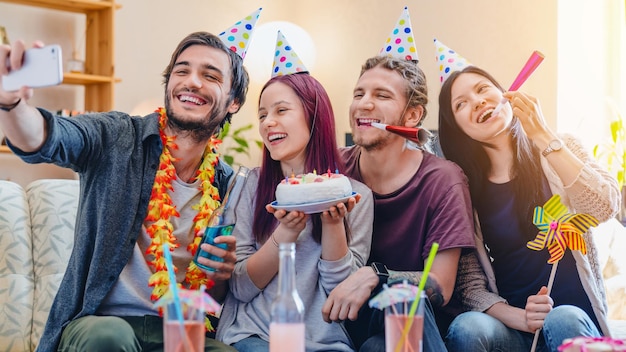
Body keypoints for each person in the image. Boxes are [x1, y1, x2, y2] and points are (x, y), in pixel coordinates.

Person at [0, 29, 253, 351]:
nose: (192, 82)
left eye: (210, 76)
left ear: (234, 102)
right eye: (182, 70)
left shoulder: (228, 185)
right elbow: (42, 137)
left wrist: (220, 274)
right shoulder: (116, 136)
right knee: (109, 338)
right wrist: (9, 102)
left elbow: (211, 298)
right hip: (99, 325)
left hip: (180, 332)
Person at [437, 64, 621, 351]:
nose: (477, 101)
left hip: (574, 323)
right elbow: (470, 287)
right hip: (515, 330)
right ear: (457, 127)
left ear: (505, 94)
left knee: (562, 317)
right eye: (461, 104)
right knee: (467, 327)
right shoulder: (463, 188)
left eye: (483, 89)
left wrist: (544, 136)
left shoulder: (562, 146)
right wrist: (521, 317)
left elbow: (605, 206)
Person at [215, 32, 374, 352]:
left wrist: (332, 225)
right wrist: (285, 232)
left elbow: (339, 296)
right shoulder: (248, 186)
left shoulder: (355, 196)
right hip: (253, 335)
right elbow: (241, 287)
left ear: (313, 114)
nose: (268, 123)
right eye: (262, 114)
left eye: (281, 110)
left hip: (325, 340)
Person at [320, 52, 477, 350]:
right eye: (359, 93)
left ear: (412, 116)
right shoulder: (332, 168)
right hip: (352, 321)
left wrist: (376, 275)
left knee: (401, 300)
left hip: (418, 321)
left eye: (382, 95)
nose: (364, 103)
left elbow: (440, 285)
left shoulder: (443, 179)